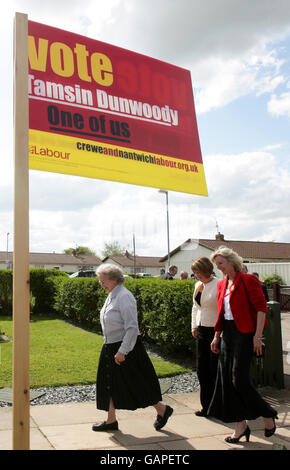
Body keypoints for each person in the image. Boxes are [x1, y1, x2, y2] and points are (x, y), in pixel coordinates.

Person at [208, 246, 278, 443]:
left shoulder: (248, 280)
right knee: (226, 382)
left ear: (231, 262)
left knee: (239, 379)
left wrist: (257, 337)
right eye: (217, 264)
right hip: (227, 335)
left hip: (245, 334)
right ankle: (240, 426)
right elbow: (221, 314)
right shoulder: (222, 285)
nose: (219, 267)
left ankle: (267, 415)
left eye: (221, 263)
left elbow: (261, 308)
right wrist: (216, 336)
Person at [93, 264, 173, 432]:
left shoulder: (124, 296)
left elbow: (132, 327)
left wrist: (123, 351)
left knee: (136, 384)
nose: (101, 285)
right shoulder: (112, 295)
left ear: (114, 279)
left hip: (126, 347)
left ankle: (162, 410)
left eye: (103, 281)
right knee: (107, 383)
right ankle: (111, 420)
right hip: (110, 346)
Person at [191, 257, 219, 417]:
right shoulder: (197, 285)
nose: (196, 275)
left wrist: (218, 333)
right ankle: (206, 406)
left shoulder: (219, 284)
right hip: (201, 329)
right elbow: (195, 307)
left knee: (214, 369)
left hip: (215, 330)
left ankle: (217, 406)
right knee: (202, 369)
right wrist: (194, 325)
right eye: (194, 272)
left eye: (198, 272)